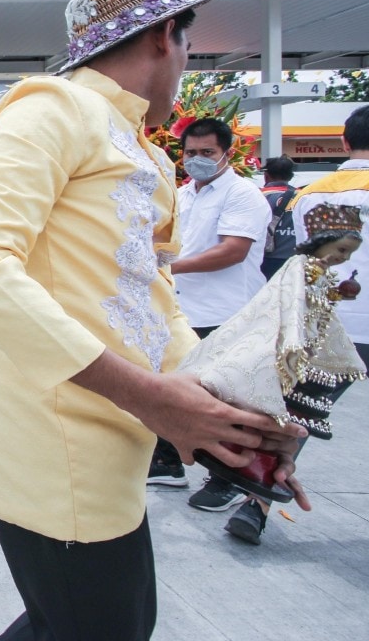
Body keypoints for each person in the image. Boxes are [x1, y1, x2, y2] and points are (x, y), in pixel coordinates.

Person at [0, 0, 307, 641]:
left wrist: (233, 410)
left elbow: (152, 302)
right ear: (168, 36)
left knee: (90, 625)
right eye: (189, 47)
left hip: (112, 444)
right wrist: (153, 397)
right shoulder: (55, 107)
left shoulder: (146, 152)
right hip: (51, 447)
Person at [210, 202, 367, 545]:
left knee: (289, 421)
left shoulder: (317, 270)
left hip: (305, 355)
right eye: (341, 249)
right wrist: (293, 346)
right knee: (271, 416)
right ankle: (243, 470)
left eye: (348, 253)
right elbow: (291, 307)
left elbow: (314, 306)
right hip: (287, 354)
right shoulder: (301, 268)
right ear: (322, 241)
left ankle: (256, 481)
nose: (343, 258)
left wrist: (338, 294)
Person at [148, 116, 271, 510]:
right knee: (172, 388)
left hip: (226, 311)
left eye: (207, 153)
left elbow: (233, 250)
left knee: (227, 400)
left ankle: (228, 477)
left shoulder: (243, 195)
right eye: (191, 153)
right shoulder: (183, 194)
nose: (197, 159)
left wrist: (167, 267)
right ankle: (168, 462)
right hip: (182, 308)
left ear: (227, 153)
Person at [290, 102, 369, 416]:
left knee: (302, 414)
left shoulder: (306, 195)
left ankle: (263, 465)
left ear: (345, 143)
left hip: (324, 322)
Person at [260, 155, 298, 279]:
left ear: (266, 176)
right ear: (291, 177)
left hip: (265, 259)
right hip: (296, 259)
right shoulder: (304, 196)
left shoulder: (258, 196)